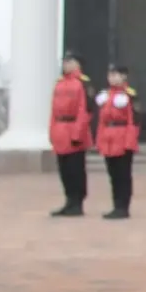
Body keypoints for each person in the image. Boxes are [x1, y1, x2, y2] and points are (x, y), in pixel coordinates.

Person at [49, 51, 94, 218]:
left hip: (74, 130)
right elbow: (54, 111)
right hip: (60, 130)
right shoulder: (59, 84)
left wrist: (77, 134)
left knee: (76, 169)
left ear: (78, 64)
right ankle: (69, 201)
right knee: (64, 170)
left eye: (70, 61)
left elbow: (85, 111)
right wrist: (52, 132)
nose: (66, 65)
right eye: (65, 61)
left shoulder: (83, 84)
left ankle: (77, 202)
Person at [93, 64, 140, 220]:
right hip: (109, 138)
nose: (112, 78)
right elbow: (102, 121)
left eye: (115, 75)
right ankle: (116, 205)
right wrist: (99, 140)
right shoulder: (106, 96)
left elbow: (134, 121)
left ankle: (123, 206)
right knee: (113, 174)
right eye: (110, 75)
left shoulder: (130, 95)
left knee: (123, 174)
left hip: (122, 138)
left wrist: (130, 142)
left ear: (124, 76)